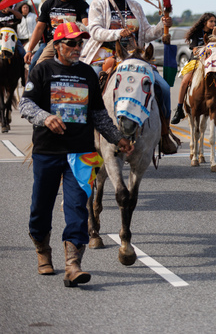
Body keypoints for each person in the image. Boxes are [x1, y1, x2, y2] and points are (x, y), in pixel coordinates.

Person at [19, 22, 134, 287]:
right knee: (40, 207)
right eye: (71, 43)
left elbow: (98, 115)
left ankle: (73, 264)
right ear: (57, 45)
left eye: (80, 43)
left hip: (81, 153)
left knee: (78, 209)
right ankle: (42, 250)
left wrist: (118, 138)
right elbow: (26, 104)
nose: (77, 47)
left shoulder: (88, 74)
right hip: (48, 151)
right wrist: (45, 117)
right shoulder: (42, 70)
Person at [79, 0, 177, 154]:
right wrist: (117, 33)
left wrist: (161, 25)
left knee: (163, 88)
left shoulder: (135, 6)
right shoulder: (98, 4)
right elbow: (95, 31)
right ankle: (83, 136)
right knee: (87, 87)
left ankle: (164, 134)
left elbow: (147, 34)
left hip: (134, 59)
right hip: (103, 58)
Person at [24, 0, 89, 70]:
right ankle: (30, 85)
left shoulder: (81, 5)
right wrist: (29, 50)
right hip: (55, 42)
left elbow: (86, 24)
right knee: (37, 66)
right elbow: (39, 28)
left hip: (75, 42)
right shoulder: (49, 4)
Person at [171, 12, 216, 124]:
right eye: (211, 21)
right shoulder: (197, 33)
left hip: (211, 62)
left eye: (214, 21)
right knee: (184, 81)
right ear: (204, 22)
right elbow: (195, 50)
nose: (213, 23)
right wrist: (205, 49)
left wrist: (214, 35)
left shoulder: (215, 32)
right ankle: (179, 109)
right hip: (196, 60)